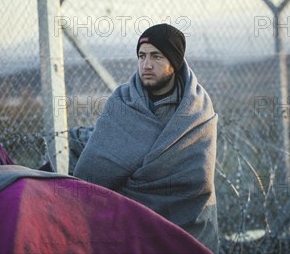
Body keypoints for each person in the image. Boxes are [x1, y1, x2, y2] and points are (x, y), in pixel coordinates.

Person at [73, 23, 220, 253]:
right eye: (141, 56)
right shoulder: (122, 103)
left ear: (175, 61)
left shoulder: (196, 110)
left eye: (156, 56)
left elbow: (197, 182)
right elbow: (90, 175)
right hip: (127, 231)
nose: (146, 65)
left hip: (187, 231)